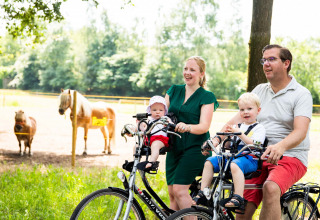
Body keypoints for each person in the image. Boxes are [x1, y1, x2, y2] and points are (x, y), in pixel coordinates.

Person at [215, 44, 312, 219]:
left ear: (286, 63)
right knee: (242, 208)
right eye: (264, 60)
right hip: (257, 155)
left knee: (271, 187)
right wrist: (216, 139)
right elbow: (235, 121)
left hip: (290, 155)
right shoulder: (259, 90)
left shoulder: (301, 94)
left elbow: (300, 131)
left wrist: (280, 147)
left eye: (272, 59)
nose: (266, 63)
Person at [192, 92, 266, 213]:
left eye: (249, 109)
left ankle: (238, 197)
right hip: (234, 157)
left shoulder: (259, 128)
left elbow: (256, 144)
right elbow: (229, 145)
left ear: (258, 110)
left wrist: (239, 133)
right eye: (242, 109)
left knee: (235, 164)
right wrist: (228, 137)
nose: (245, 112)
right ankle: (204, 192)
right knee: (209, 162)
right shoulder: (238, 126)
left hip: (250, 159)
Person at [165, 56, 219, 210]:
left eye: (192, 70)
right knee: (172, 194)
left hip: (196, 148)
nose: (187, 73)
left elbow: (204, 126)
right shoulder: (174, 90)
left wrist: (187, 126)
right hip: (174, 147)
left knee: (180, 190)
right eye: (185, 69)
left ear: (201, 74)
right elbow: (161, 114)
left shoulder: (206, 96)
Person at [136, 95, 171, 171]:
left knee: (155, 146)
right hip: (149, 139)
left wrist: (168, 124)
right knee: (136, 145)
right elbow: (144, 130)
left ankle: (152, 162)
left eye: (161, 110)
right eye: (154, 110)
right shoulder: (150, 120)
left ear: (164, 111)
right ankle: (135, 162)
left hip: (160, 139)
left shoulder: (165, 118)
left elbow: (170, 124)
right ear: (150, 111)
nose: (158, 112)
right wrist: (139, 124)